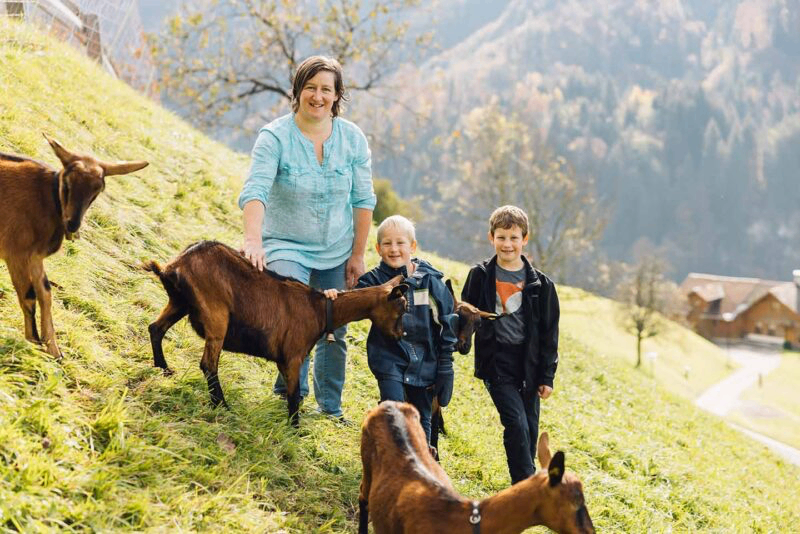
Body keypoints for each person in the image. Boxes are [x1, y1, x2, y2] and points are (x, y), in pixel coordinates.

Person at [238, 55, 375, 420]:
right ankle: (287, 390)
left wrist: (357, 255)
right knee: (297, 316)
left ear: (337, 96)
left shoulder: (352, 139)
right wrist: (254, 240)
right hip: (285, 244)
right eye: (310, 88)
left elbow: (363, 201)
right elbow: (256, 190)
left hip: (336, 247)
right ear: (297, 92)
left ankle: (330, 408)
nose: (318, 96)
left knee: (334, 327)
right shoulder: (275, 136)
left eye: (326, 89)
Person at [325, 215, 458, 442]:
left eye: (400, 243)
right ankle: (391, 462)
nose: (394, 249)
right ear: (378, 248)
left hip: (426, 364)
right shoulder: (374, 282)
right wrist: (334, 297)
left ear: (412, 246)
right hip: (388, 359)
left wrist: (445, 366)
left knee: (420, 422)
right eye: (387, 243)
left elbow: (447, 323)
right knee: (395, 414)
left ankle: (420, 467)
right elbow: (351, 301)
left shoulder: (430, 281)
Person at [461, 205, 560, 484]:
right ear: (491, 237)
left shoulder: (542, 286)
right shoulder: (479, 275)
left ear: (525, 239)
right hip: (496, 363)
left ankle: (525, 486)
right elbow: (466, 314)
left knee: (528, 428)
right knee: (515, 423)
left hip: (529, 366)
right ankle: (525, 488)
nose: (507, 244)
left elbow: (549, 335)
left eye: (514, 238)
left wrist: (547, 376)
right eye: (502, 237)